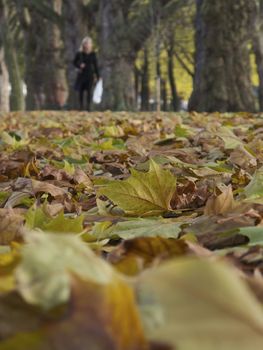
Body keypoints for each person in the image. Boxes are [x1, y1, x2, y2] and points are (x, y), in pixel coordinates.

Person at [73, 36, 100, 111]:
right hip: (81, 74)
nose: (87, 45)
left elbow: (95, 65)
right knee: (81, 91)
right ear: (83, 45)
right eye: (86, 43)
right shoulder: (79, 53)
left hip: (90, 74)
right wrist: (79, 65)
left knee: (89, 91)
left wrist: (98, 76)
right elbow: (74, 62)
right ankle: (81, 106)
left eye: (89, 44)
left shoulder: (93, 54)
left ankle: (88, 107)